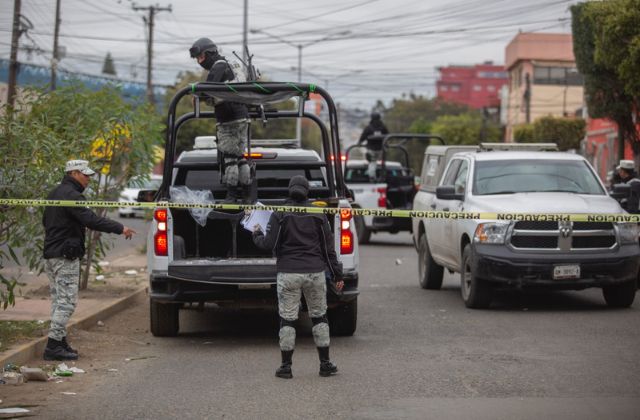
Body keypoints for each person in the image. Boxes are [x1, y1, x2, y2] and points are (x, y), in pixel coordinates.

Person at [42, 160, 136, 360]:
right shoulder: (72, 195)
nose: (89, 179)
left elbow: (45, 221)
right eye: (85, 175)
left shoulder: (55, 192)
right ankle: (52, 346)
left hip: (51, 254)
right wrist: (120, 228)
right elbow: (91, 220)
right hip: (64, 256)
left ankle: (60, 342)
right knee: (67, 303)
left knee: (59, 301)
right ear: (74, 173)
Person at [252, 176, 344, 379]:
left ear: (289, 190)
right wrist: (337, 274)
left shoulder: (280, 213)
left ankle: (286, 367)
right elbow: (328, 250)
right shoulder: (318, 214)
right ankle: (325, 364)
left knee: (288, 318)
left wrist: (256, 234)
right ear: (307, 192)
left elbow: (268, 244)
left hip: (288, 273)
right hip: (314, 273)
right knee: (319, 315)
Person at [189, 37, 251, 203]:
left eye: (201, 57)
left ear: (209, 53)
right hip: (243, 115)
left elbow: (207, 89)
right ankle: (246, 195)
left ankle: (231, 196)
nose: (199, 62)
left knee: (230, 158)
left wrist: (196, 95)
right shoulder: (232, 64)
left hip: (227, 117)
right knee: (241, 158)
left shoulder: (218, 66)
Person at [359, 112, 389, 181]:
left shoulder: (369, 127)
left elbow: (363, 136)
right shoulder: (383, 127)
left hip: (372, 149)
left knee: (372, 162)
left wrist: (360, 142)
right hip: (381, 149)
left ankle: (372, 177)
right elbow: (388, 136)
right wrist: (386, 145)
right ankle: (382, 176)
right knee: (380, 162)